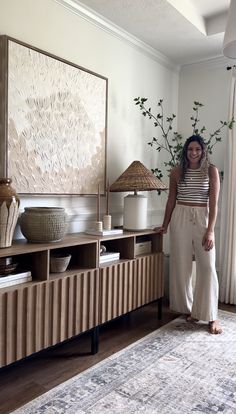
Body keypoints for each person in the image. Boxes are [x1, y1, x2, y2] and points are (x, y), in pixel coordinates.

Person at [155, 135, 222, 334]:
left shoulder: (211, 171)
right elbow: (171, 201)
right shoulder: (176, 172)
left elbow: (214, 204)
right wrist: (165, 225)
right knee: (181, 265)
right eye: (190, 149)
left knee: (208, 266)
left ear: (203, 151)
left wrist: (210, 231)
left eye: (198, 149)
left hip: (202, 217)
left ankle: (212, 315)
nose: (194, 153)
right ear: (185, 151)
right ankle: (191, 309)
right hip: (180, 217)